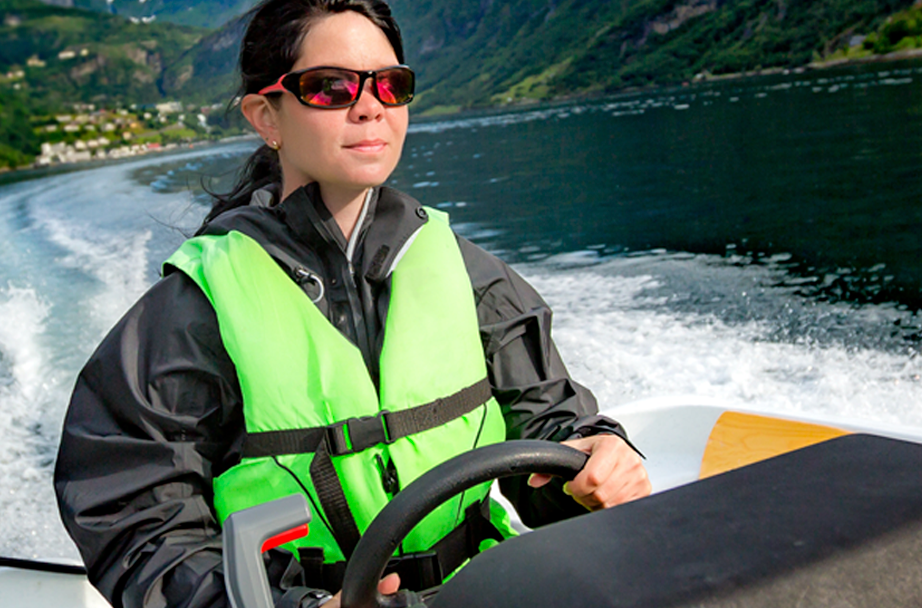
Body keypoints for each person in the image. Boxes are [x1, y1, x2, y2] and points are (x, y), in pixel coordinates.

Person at [53, 1, 651, 607]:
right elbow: (135, 510)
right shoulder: (196, 308)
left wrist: (594, 454)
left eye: (391, 85)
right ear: (267, 116)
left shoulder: (467, 273)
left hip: (483, 591)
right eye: (330, 87)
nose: (370, 106)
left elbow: (549, 427)